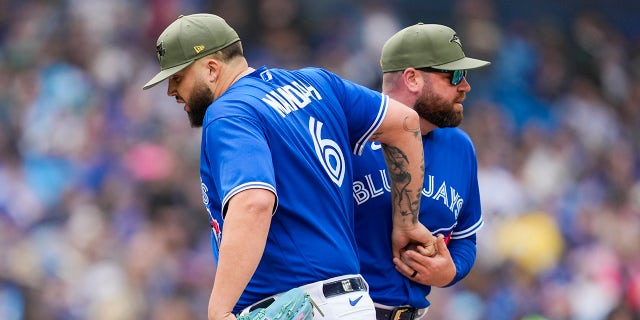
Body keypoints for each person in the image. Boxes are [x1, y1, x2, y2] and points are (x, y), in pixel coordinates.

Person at [142, 14, 433, 320]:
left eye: (178, 78)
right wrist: (407, 222)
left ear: (212, 69)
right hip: (351, 303)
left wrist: (219, 310)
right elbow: (405, 123)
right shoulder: (317, 83)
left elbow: (253, 202)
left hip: (302, 306)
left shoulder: (229, 113)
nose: (171, 91)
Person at [352, 23, 490, 320]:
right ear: (412, 78)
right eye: (454, 75)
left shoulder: (460, 147)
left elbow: (466, 239)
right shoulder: (352, 139)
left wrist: (450, 270)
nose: (465, 86)